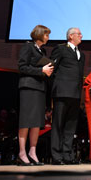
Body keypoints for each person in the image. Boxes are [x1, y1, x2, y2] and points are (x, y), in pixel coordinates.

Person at [17, 24, 54, 166]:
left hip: (39, 88)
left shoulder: (41, 50)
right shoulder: (28, 47)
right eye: (46, 34)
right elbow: (22, 67)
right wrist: (41, 70)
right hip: (28, 87)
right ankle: (21, 152)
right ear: (39, 34)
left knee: (37, 122)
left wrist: (47, 71)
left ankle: (32, 152)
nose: (48, 37)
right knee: (26, 120)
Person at [50, 27, 86, 165]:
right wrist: (57, 87)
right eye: (79, 34)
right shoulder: (60, 49)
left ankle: (67, 155)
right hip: (62, 92)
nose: (81, 36)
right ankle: (56, 156)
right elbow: (52, 68)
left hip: (75, 94)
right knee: (58, 124)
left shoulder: (81, 54)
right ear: (71, 36)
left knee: (71, 126)